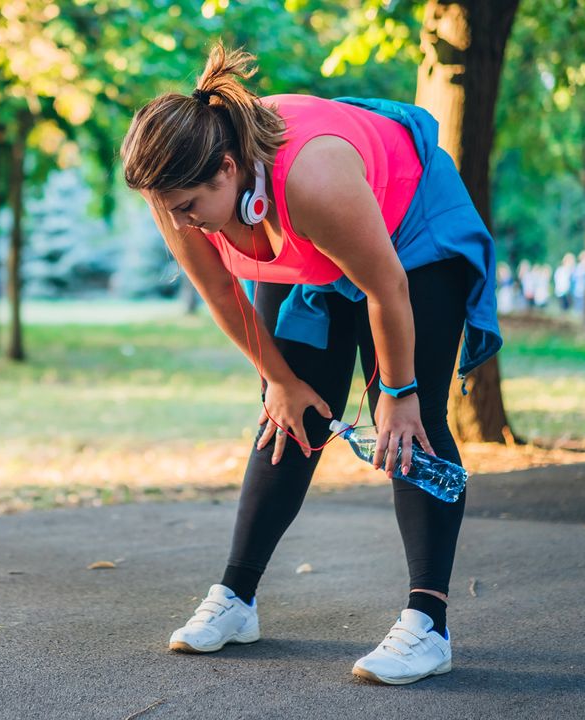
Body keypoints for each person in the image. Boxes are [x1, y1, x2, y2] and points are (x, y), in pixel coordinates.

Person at [120, 44, 501, 686]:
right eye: (170, 208)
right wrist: (280, 381)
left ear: (229, 168)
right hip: (305, 246)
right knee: (287, 418)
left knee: (412, 426)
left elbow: (387, 289)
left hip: (409, 237)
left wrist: (399, 392)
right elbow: (221, 293)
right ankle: (237, 599)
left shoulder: (312, 179)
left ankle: (428, 625)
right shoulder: (179, 189)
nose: (180, 221)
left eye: (188, 206)